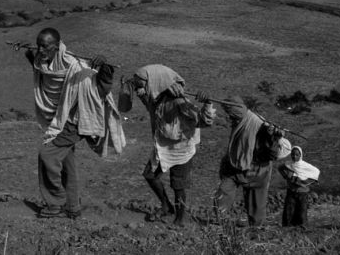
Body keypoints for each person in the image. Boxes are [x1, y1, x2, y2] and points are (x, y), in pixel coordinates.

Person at [26, 27, 125, 219]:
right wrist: (28, 51)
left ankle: (56, 204)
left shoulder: (77, 67)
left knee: (47, 155)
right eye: (38, 47)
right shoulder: (44, 61)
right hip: (58, 118)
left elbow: (101, 88)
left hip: (75, 120)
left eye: (45, 47)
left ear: (57, 46)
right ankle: (72, 207)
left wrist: (104, 67)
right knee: (65, 161)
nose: (40, 51)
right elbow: (36, 63)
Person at [119, 64, 215, 226]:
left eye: (143, 84)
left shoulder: (179, 102)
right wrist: (130, 88)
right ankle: (166, 206)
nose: (141, 87)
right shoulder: (157, 98)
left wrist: (208, 103)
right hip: (163, 146)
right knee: (150, 175)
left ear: (155, 82)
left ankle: (180, 218)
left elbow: (204, 121)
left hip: (181, 149)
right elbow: (147, 100)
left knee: (178, 186)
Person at [213, 96, 290, 227]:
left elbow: (271, 152)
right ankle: (220, 224)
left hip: (257, 173)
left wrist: (274, 136)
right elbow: (234, 106)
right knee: (223, 195)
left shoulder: (264, 132)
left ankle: (256, 229)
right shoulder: (248, 121)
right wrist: (208, 101)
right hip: (235, 168)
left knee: (257, 205)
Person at [278, 146, 319, 227]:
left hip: (302, 193)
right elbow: (280, 168)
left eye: (297, 155)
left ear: (301, 155)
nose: (294, 156)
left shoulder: (305, 166)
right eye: (293, 154)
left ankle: (302, 227)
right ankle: (288, 227)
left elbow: (316, 172)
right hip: (291, 191)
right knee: (289, 211)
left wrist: (305, 181)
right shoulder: (288, 164)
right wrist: (285, 176)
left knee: (302, 211)